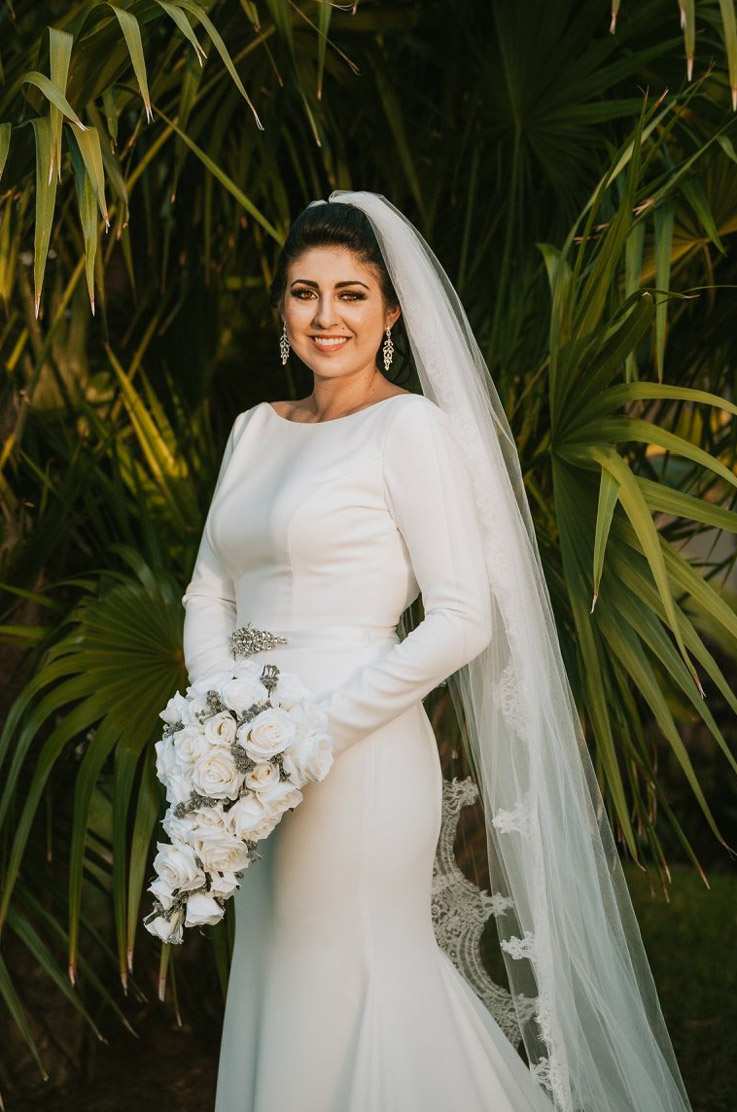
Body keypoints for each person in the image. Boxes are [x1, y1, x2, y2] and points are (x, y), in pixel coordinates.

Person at [181, 193, 693, 1112]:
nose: (325, 317)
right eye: (304, 293)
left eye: (350, 294)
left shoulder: (408, 429)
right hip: (246, 759)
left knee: (356, 969)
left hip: (359, 753)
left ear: (391, 313)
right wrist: (224, 720)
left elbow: (461, 617)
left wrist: (310, 728)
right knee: (277, 973)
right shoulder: (254, 429)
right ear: (281, 309)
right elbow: (207, 587)